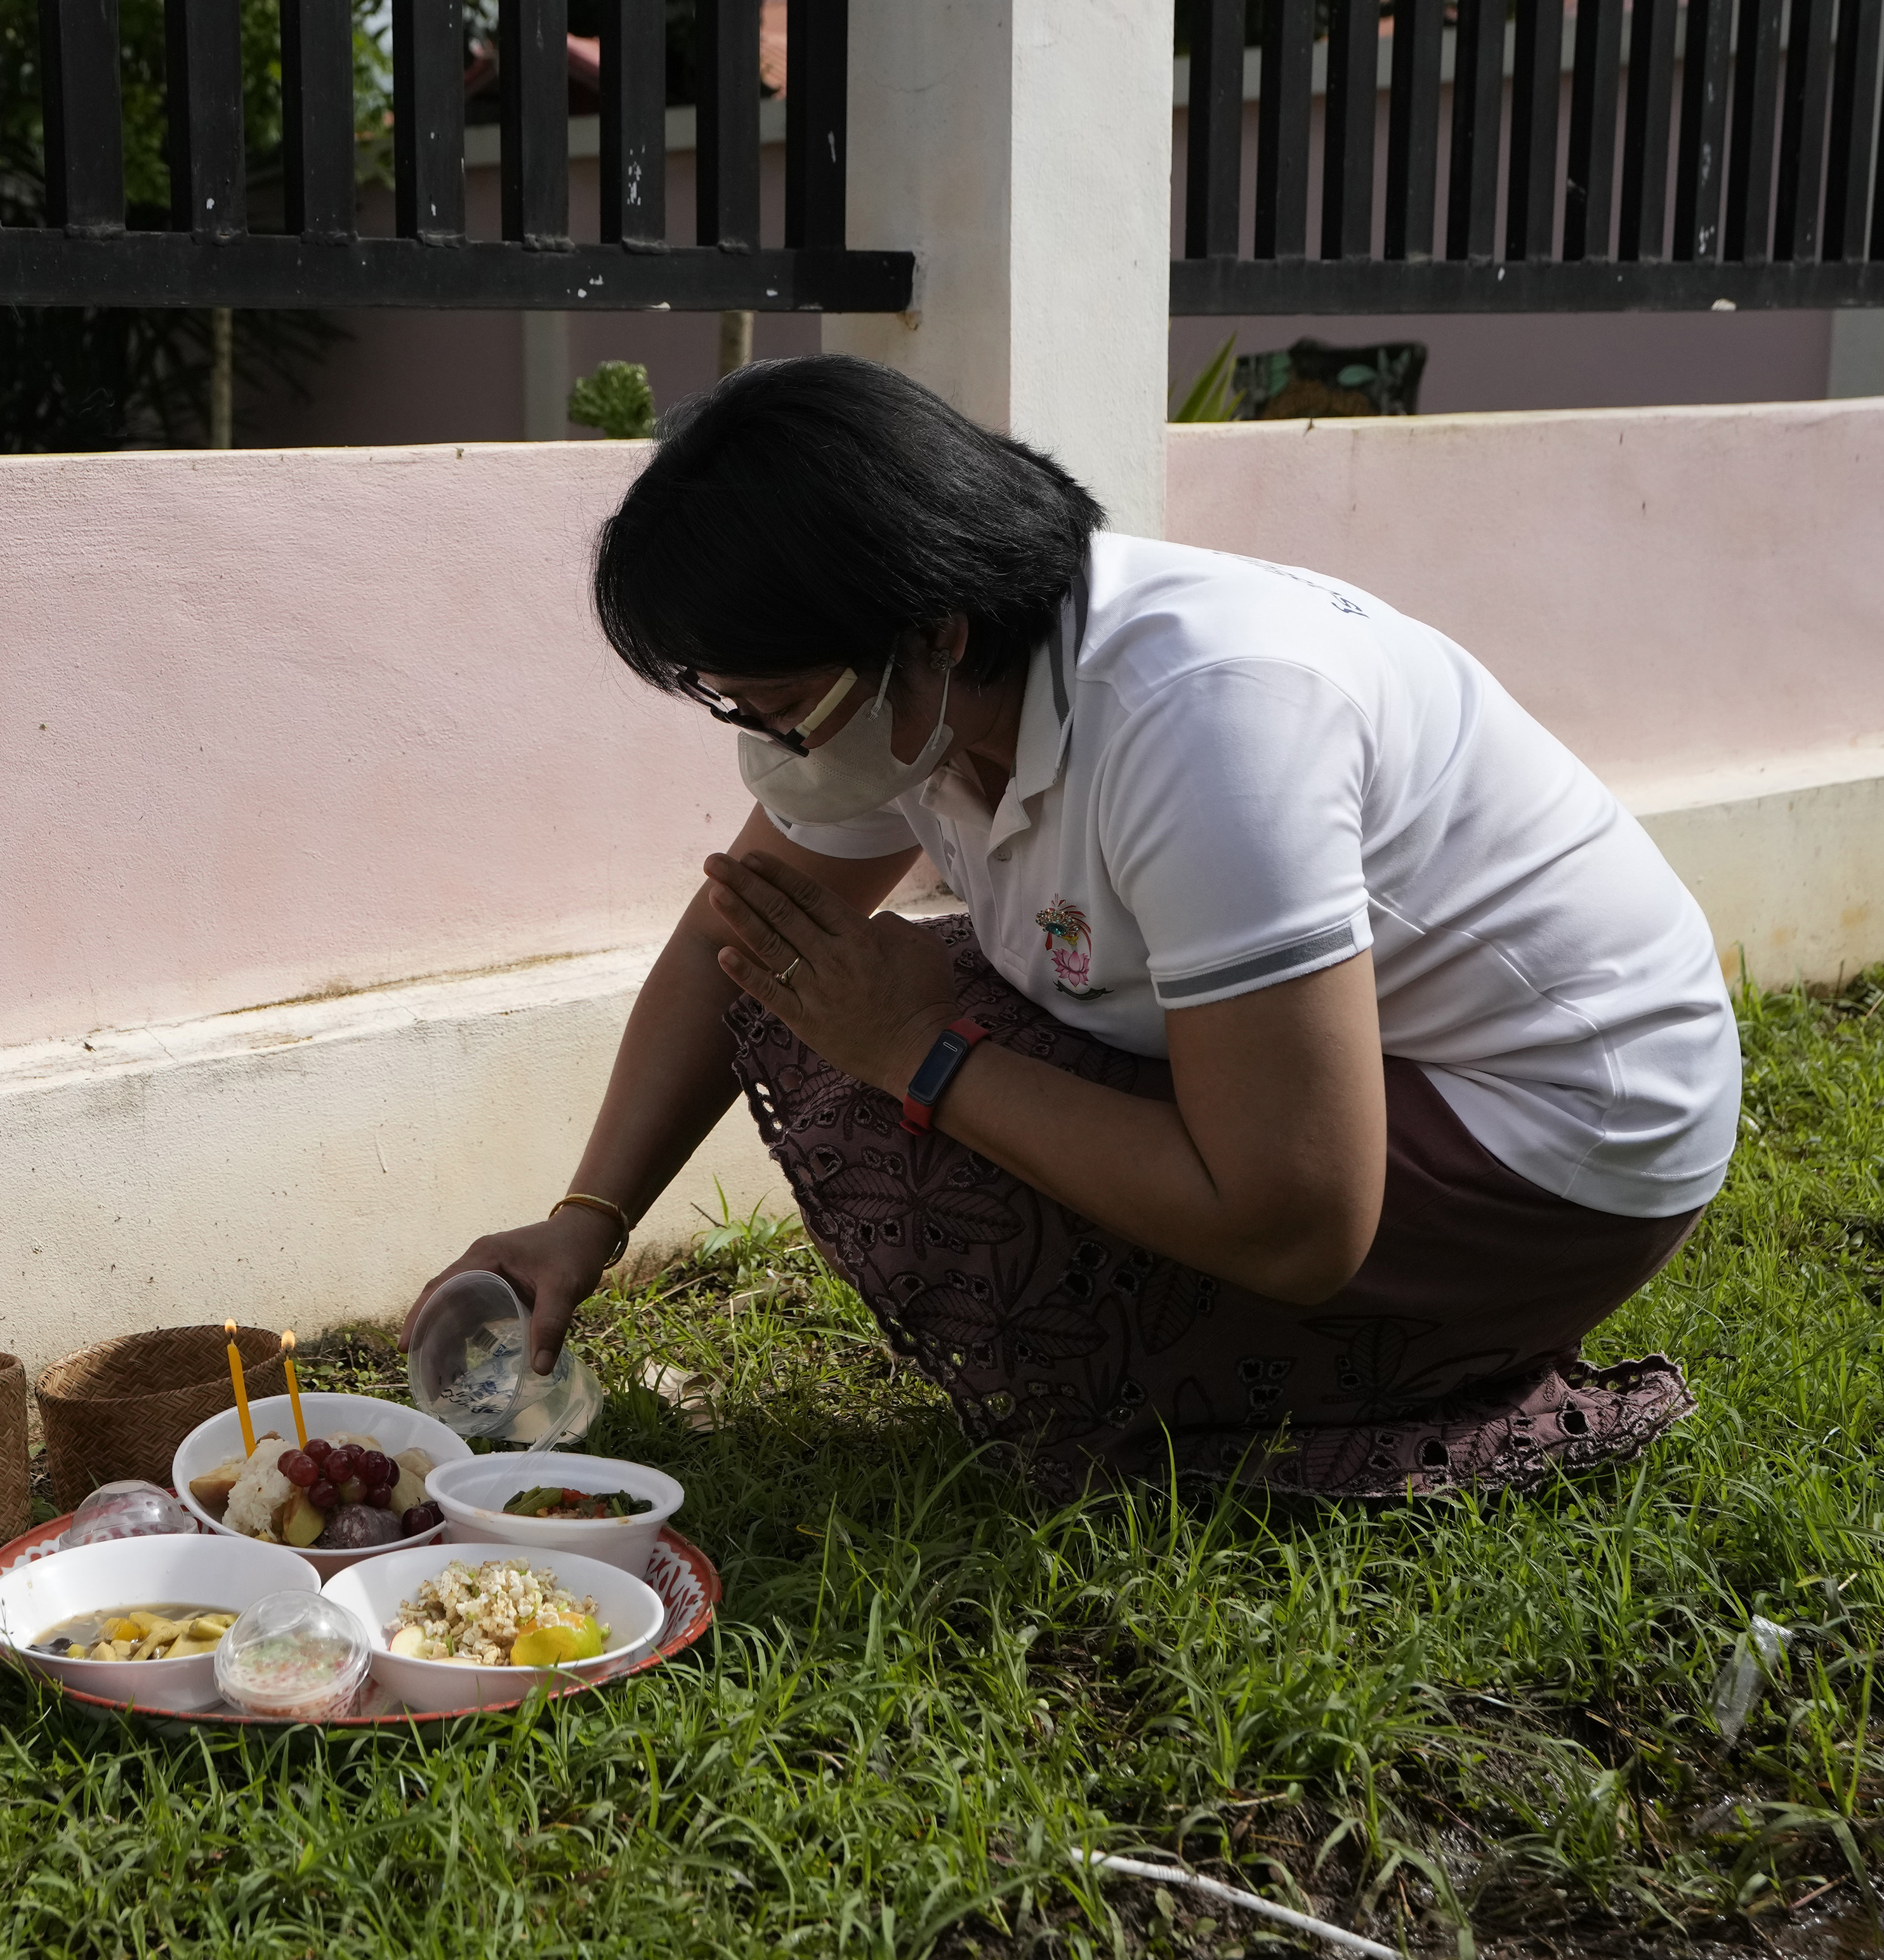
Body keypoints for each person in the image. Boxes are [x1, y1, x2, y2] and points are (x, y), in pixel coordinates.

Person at [417, 357, 1737, 1498]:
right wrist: (585, 1219)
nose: (766, 748)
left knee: (890, 1053)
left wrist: (925, 1054)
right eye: (735, 709)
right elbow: (743, 943)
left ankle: (1333, 1378)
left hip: (1553, 1154)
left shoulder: (1205, 721)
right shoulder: (940, 689)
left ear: (929, 631)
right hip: (1380, 1093)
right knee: (822, 989)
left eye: (778, 704)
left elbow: (1301, 1218)